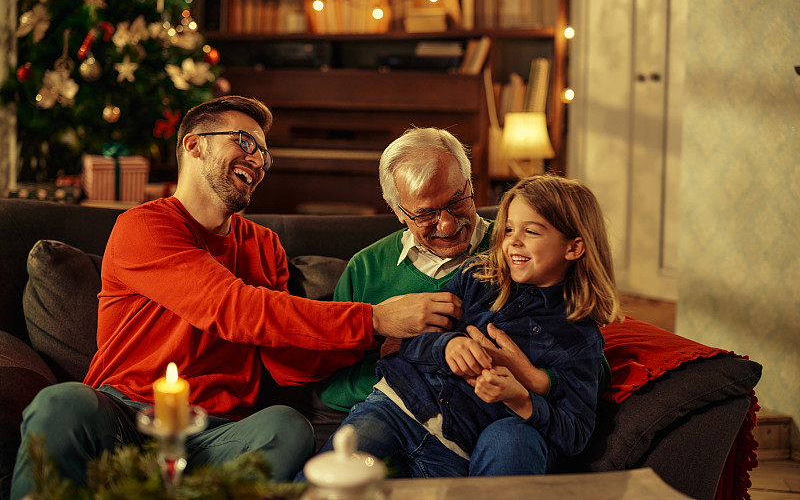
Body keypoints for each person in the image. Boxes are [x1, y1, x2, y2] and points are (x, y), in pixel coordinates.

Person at [11, 96, 462, 499]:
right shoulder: (144, 226)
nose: (259, 159)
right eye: (245, 141)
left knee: (285, 426)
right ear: (194, 145)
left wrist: (368, 344)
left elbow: (284, 363)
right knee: (61, 402)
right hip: (124, 417)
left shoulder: (264, 245)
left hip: (216, 436)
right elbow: (230, 308)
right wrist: (374, 319)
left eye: (264, 152)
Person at [312, 173, 625, 478]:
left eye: (531, 232)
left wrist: (521, 396)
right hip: (395, 406)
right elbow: (408, 343)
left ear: (574, 247)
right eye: (510, 229)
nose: (513, 241)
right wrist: (447, 345)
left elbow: (576, 432)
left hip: (455, 448)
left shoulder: (579, 335)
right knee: (322, 482)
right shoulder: (477, 276)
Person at [310, 127, 493, 448]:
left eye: (457, 202)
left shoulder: (519, 253)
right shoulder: (365, 268)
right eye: (425, 214)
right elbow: (331, 385)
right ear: (397, 211)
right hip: (385, 419)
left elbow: (586, 364)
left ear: (470, 184)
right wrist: (398, 366)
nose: (448, 225)